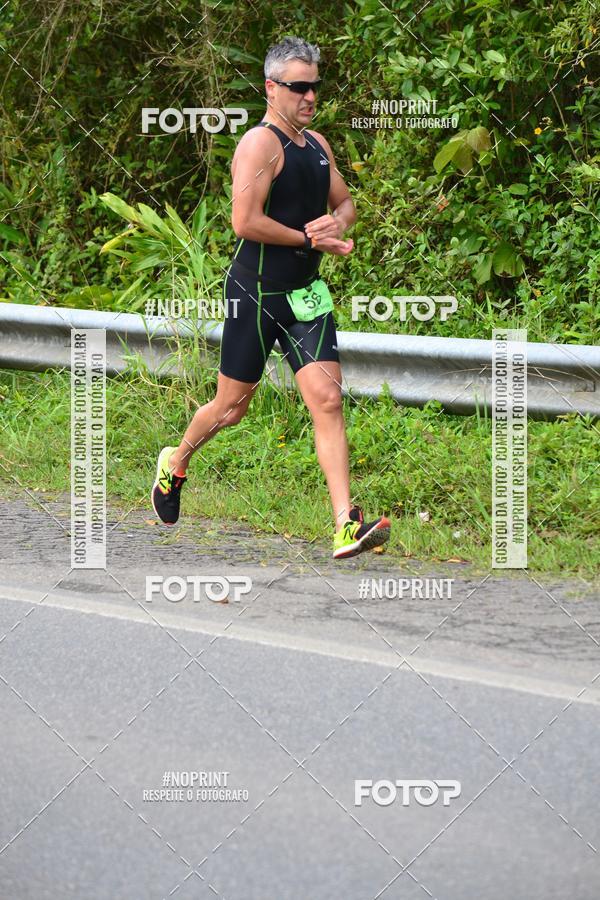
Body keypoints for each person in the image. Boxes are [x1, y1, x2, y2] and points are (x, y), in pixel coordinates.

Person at [151, 35, 390, 559]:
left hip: (306, 295)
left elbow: (347, 203)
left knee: (327, 399)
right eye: (298, 87)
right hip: (254, 293)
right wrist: (308, 237)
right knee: (231, 408)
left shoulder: (319, 146)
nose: (309, 97)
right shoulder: (259, 145)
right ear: (271, 88)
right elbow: (245, 221)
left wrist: (336, 222)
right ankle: (176, 459)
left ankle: (345, 523)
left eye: (314, 87)